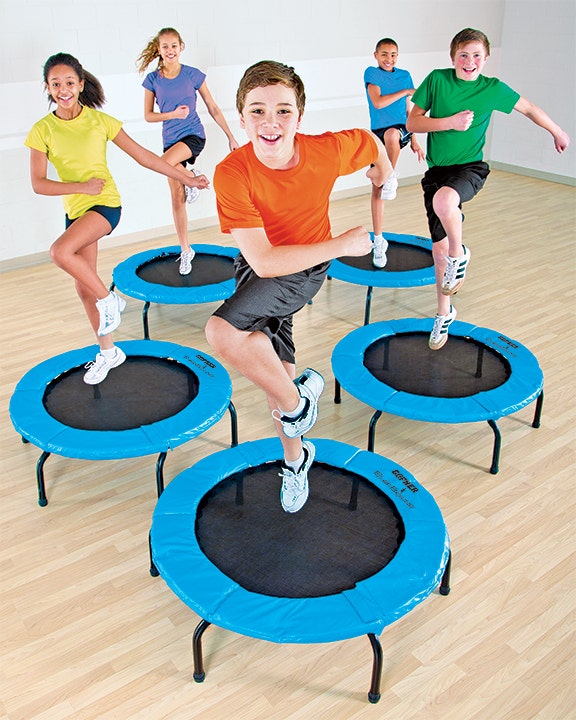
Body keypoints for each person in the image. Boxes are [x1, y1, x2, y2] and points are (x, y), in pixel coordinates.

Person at [205, 60, 392, 514]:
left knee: (220, 332)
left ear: (300, 117)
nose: (271, 123)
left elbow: (368, 141)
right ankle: (297, 453)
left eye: (283, 111)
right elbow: (264, 260)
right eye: (257, 111)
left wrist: (383, 170)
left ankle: (296, 405)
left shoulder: (324, 151)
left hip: (305, 270)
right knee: (277, 375)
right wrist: (342, 243)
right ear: (242, 116)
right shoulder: (232, 172)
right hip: (261, 266)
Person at [25, 52, 209, 384]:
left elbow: (146, 158)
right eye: (56, 84)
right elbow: (38, 183)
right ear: (48, 88)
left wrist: (187, 178)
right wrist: (81, 186)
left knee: (59, 252)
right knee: (84, 288)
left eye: (70, 82)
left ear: (81, 84)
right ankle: (109, 352)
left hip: (105, 205)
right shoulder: (42, 130)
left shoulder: (100, 121)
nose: (63, 89)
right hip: (76, 211)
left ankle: (110, 299)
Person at [406, 28, 570, 350]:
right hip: (436, 170)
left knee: (445, 202)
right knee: (438, 251)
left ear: (486, 59)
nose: (470, 61)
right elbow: (413, 123)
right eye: (464, 55)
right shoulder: (437, 81)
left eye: (477, 55)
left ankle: (460, 253)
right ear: (453, 57)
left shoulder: (492, 89)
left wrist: (557, 131)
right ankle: (444, 312)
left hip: (470, 168)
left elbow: (530, 108)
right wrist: (448, 122)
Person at [136, 27, 239, 275]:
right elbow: (148, 116)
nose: (170, 50)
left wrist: (230, 136)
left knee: (163, 164)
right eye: (165, 46)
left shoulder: (193, 75)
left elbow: (212, 107)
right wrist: (172, 114)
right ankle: (185, 250)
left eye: (174, 45)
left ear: (181, 47)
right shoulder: (153, 80)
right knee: (175, 197)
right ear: (159, 50)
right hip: (169, 140)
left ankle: (191, 179)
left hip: (193, 136)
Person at [364, 37, 425, 267]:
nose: (389, 59)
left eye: (393, 55)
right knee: (377, 189)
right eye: (384, 54)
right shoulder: (372, 73)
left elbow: (408, 109)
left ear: (397, 56)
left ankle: (389, 175)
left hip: (400, 130)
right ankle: (379, 242)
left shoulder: (405, 74)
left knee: (392, 135)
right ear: (376, 55)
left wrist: (415, 139)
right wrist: (405, 91)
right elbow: (378, 102)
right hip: (377, 133)